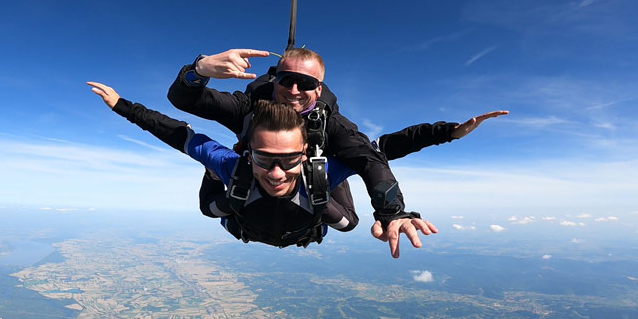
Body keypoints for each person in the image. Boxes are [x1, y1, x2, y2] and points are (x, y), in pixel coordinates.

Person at [167, 48, 507, 241]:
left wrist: (392, 211)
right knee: (222, 177)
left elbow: (373, 155)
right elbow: (185, 99)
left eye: (306, 83)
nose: (294, 91)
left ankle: (303, 198)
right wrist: (199, 69)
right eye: (287, 80)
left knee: (351, 167)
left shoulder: (332, 126)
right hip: (252, 194)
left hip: (306, 203)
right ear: (275, 82)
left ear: (319, 89)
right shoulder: (249, 109)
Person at [88, 82, 437, 258]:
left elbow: (378, 151)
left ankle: (308, 177)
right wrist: (123, 106)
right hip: (245, 212)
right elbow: (176, 133)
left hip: (305, 214)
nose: (276, 174)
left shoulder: (319, 171)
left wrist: (443, 134)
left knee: (348, 222)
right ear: (248, 151)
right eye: (265, 159)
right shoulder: (233, 163)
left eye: (288, 160)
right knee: (213, 200)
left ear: (304, 154)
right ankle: (227, 175)